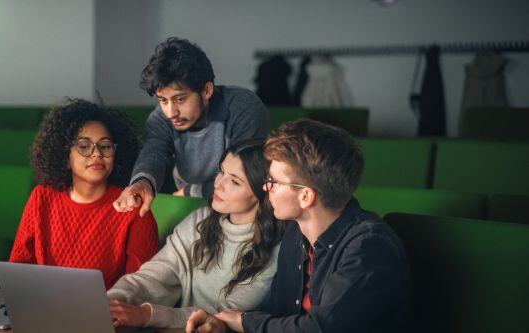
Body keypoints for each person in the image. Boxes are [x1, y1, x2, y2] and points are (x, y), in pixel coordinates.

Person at [186, 120, 412, 333]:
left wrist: (245, 321)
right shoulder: (295, 233)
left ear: (306, 196)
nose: (266, 188)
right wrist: (223, 324)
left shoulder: (370, 247)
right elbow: (277, 313)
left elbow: (319, 329)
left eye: (273, 181)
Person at [107, 139, 282, 329]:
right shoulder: (201, 219)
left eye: (234, 181)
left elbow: (226, 314)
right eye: (221, 171)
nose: (218, 184)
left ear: (262, 192)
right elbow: (154, 276)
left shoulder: (279, 248)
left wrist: (147, 314)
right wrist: (111, 303)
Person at [9, 99, 158, 289]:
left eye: (105, 146)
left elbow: (139, 289)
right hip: (41, 308)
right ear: (65, 155)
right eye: (84, 146)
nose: (96, 154)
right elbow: (20, 268)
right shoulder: (42, 198)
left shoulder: (134, 208)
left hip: (106, 315)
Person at [114, 37, 270, 217]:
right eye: (163, 100)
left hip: (243, 211)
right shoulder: (160, 118)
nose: (171, 112)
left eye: (180, 99)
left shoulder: (243, 108)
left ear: (206, 91)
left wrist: (191, 191)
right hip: (192, 207)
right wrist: (142, 183)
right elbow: (154, 152)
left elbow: (245, 177)